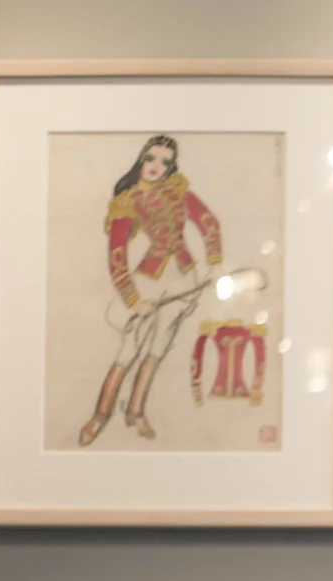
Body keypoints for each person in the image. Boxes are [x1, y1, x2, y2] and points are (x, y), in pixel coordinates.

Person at [82, 135, 223, 446]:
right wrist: (133, 300)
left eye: (165, 161)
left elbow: (209, 222)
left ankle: (136, 410)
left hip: (184, 278)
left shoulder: (178, 191)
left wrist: (213, 261)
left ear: (172, 166)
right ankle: (100, 415)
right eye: (151, 158)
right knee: (129, 350)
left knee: (159, 346)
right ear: (141, 159)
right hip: (148, 280)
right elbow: (116, 256)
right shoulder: (127, 201)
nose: (156, 166)